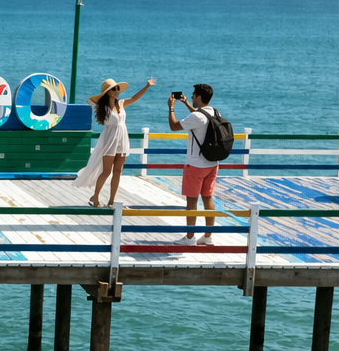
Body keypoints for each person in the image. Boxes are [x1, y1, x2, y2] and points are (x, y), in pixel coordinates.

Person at [74, 77, 155, 207]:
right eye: (114, 89)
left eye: (117, 88)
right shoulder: (102, 107)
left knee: (118, 171)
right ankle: (95, 197)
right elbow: (89, 100)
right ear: (107, 91)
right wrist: (101, 96)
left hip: (122, 139)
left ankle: (111, 201)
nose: (117, 91)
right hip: (110, 140)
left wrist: (147, 86)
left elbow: (134, 98)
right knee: (106, 171)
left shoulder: (121, 103)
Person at [168, 83, 227, 244]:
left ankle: (189, 237)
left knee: (192, 201)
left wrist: (171, 108)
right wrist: (187, 104)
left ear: (199, 96)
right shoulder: (215, 112)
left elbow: (173, 126)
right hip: (212, 163)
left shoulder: (196, 117)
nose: (192, 96)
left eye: (194, 95)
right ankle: (208, 236)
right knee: (208, 198)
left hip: (195, 165)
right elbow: (201, 118)